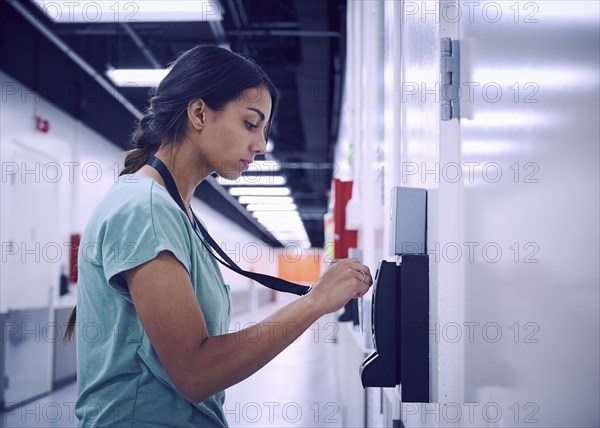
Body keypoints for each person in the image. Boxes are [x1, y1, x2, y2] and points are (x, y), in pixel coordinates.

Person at [66, 45, 373, 427]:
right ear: (199, 113)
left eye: (264, 129)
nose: (260, 145)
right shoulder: (145, 208)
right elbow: (196, 373)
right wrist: (315, 302)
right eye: (250, 123)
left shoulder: (174, 211)